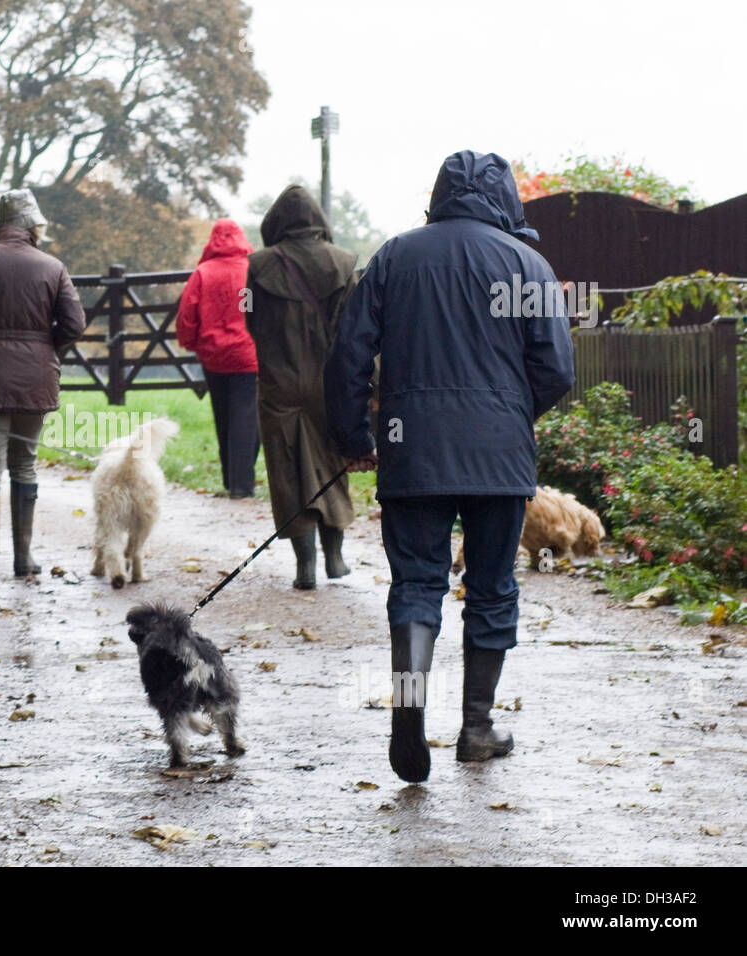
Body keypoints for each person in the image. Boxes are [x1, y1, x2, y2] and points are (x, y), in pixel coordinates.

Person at [325, 151, 575, 783]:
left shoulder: (393, 257)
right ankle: (476, 728)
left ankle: (410, 706)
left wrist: (356, 434)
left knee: (416, 585)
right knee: (492, 588)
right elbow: (556, 370)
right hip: (499, 454)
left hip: (413, 450)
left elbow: (348, 353)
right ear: (506, 200)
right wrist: (512, 413)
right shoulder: (528, 265)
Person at [0, 188, 86, 587]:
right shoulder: (53, 267)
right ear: (33, 226)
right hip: (34, 381)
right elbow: (75, 324)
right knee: (23, 463)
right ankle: (24, 558)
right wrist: (44, 348)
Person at [246, 185, 359, 589]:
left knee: (286, 472)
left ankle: (304, 566)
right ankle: (336, 558)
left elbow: (248, 317)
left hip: (278, 385)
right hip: (330, 386)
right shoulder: (345, 264)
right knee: (332, 467)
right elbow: (356, 330)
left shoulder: (257, 266)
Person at [176, 218, 260, 497]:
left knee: (223, 416)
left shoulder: (203, 273)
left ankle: (229, 480)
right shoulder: (252, 270)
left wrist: (191, 343)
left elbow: (187, 314)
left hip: (214, 356)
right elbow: (261, 312)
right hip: (249, 356)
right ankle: (242, 485)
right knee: (246, 418)